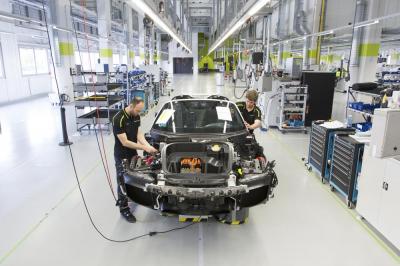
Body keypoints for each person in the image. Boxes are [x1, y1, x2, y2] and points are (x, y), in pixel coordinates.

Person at [113, 97, 158, 223]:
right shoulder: (119, 118)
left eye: (140, 111)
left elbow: (139, 134)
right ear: (131, 106)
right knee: (122, 180)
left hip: (132, 152)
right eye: (137, 111)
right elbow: (125, 142)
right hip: (122, 154)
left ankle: (132, 197)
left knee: (133, 177)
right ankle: (124, 209)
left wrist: (148, 146)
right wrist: (144, 147)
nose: (138, 114)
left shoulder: (136, 116)